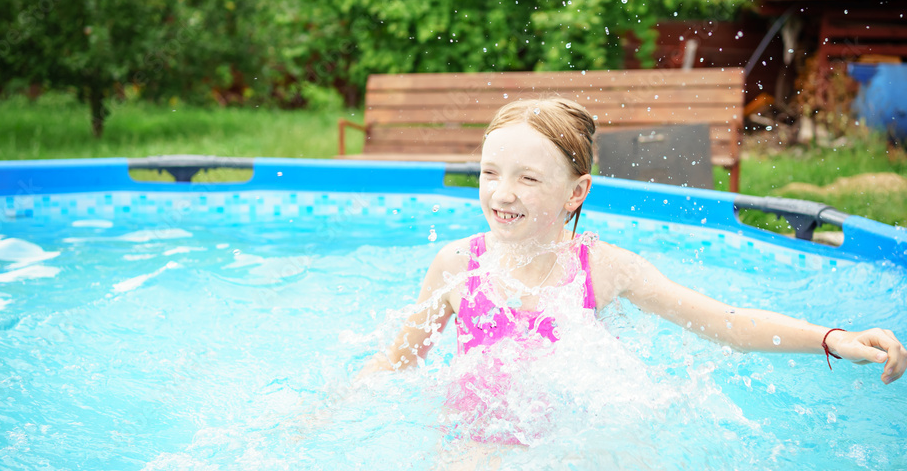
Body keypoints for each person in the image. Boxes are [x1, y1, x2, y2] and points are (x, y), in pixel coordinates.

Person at [359, 97, 906, 407]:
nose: (502, 193)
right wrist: (323, 413)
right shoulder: (458, 268)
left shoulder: (602, 268)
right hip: (475, 440)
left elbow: (727, 324)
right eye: (490, 173)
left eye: (528, 178)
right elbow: (397, 363)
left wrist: (835, 339)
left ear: (577, 192)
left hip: (568, 443)